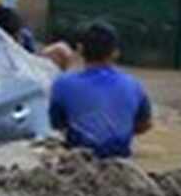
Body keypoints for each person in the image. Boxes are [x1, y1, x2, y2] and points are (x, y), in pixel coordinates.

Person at [48, 21, 152, 159]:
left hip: (79, 161)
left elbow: (56, 124)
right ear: (115, 53)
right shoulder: (134, 85)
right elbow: (145, 125)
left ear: (80, 49)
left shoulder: (62, 83)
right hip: (119, 162)